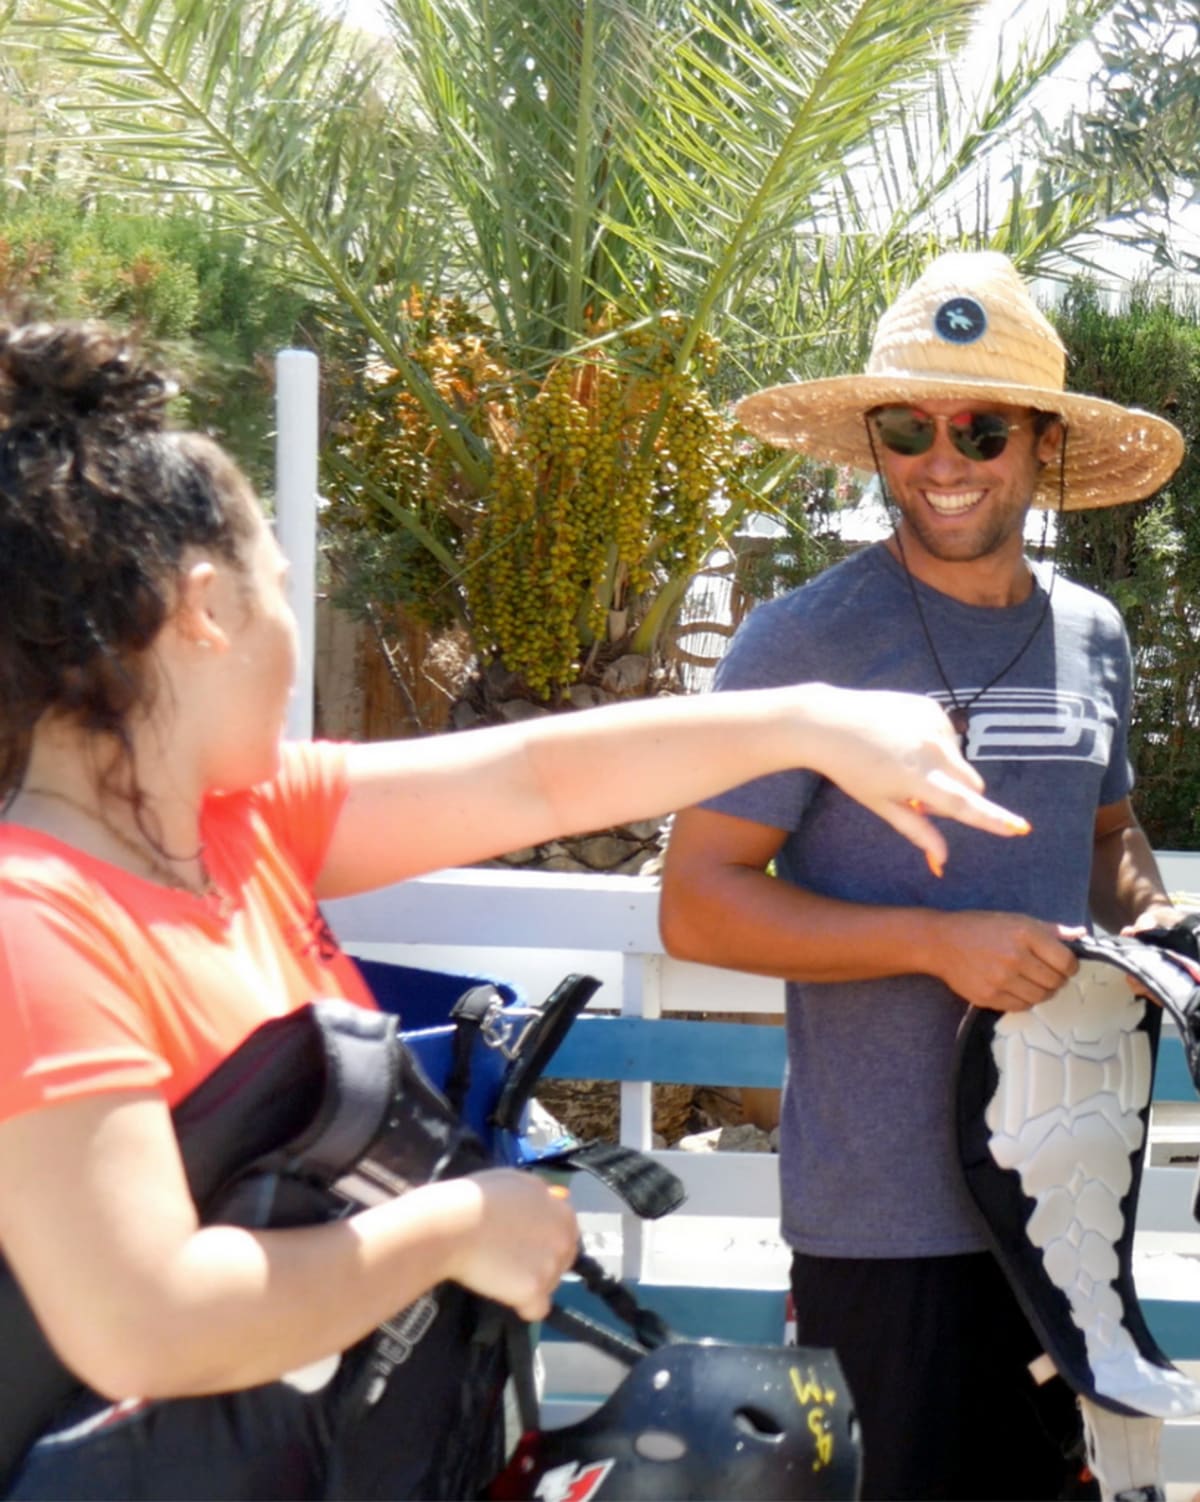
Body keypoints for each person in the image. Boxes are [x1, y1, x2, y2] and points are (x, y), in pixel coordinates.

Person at [0, 318, 1030, 1500]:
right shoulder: (39, 926)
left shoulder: (238, 827)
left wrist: (813, 722)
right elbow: (147, 1321)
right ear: (202, 611)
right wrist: (456, 1228)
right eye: (281, 586)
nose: (291, 624)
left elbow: (538, 778)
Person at [658, 250, 1187, 1502]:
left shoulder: (1094, 633)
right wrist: (935, 942)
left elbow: (1106, 835)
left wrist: (1156, 917)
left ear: (1042, 442)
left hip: (1063, 1202)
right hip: (880, 1216)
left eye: (982, 427)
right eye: (909, 426)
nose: (943, 459)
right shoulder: (801, 641)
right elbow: (698, 900)